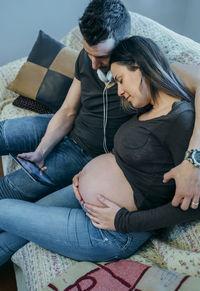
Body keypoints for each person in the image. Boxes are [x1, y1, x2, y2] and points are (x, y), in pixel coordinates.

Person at [0, 36, 199, 266]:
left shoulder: (181, 120)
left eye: (121, 80)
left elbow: (193, 207)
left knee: (4, 208)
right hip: (84, 198)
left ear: (141, 65)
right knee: (12, 237)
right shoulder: (147, 108)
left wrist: (123, 221)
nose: (121, 91)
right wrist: (86, 174)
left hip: (109, 232)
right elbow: (129, 162)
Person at [0, 0, 199, 211]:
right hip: (65, 125)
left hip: (85, 153)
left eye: (102, 57)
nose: (93, 64)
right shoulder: (87, 59)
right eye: (89, 53)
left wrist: (194, 159)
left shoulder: (147, 69)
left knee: (10, 189)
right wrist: (41, 150)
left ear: (125, 43)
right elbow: (68, 111)